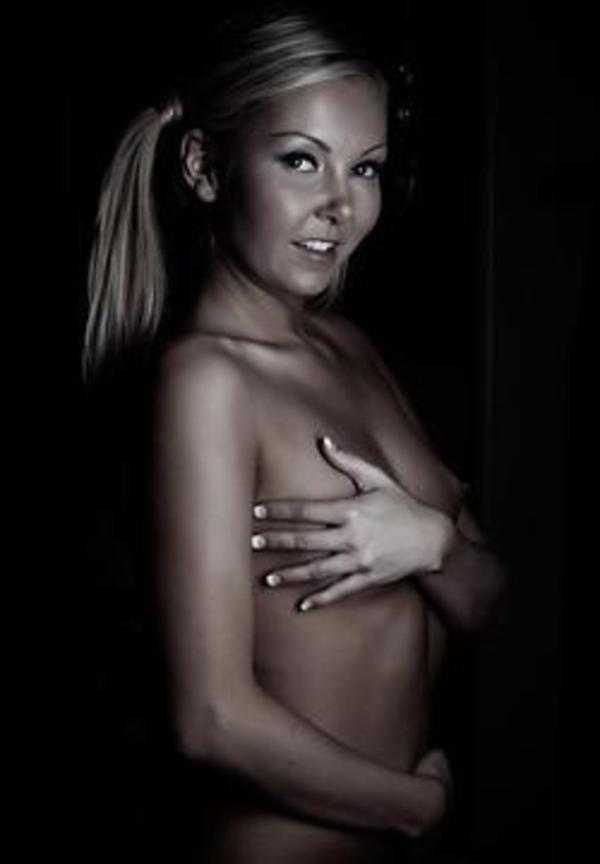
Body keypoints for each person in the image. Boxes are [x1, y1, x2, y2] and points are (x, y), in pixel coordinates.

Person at [82, 3, 506, 861]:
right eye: (302, 161)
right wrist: (413, 807)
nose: (340, 206)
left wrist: (431, 544)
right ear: (205, 167)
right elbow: (209, 718)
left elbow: (486, 597)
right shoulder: (207, 381)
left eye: (367, 168)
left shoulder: (349, 346)